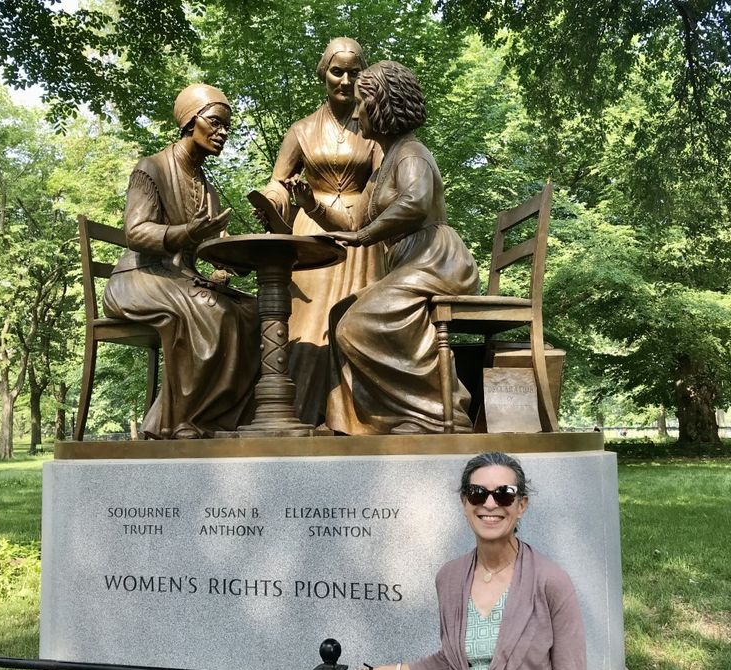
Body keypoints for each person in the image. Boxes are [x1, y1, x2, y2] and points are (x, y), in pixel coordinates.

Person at [342, 452, 589, 670]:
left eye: (504, 495)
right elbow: (454, 664)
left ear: (521, 505)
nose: (489, 503)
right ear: (464, 503)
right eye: (477, 493)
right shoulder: (450, 577)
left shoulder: (551, 581)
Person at [321, 60, 478, 434]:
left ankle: (438, 413)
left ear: (381, 105)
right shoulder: (384, 163)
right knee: (339, 314)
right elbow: (353, 222)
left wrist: (365, 237)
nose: (356, 113)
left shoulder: (411, 152)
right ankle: (357, 422)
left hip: (436, 261)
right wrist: (309, 205)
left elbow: (415, 202)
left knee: (358, 326)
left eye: (362, 103)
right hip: (412, 263)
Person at [103, 83, 259, 439]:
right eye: (215, 123)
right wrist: (187, 233)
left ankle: (220, 417)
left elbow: (215, 245)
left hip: (179, 278)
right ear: (191, 120)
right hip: (137, 277)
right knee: (211, 310)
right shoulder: (151, 168)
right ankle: (179, 421)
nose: (223, 133)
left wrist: (232, 262)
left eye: (227, 127)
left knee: (252, 313)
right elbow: (136, 232)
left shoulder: (207, 187)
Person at [257, 37, 383, 427]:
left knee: (356, 322)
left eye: (354, 72)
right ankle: (300, 414)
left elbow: (382, 179)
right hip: (311, 231)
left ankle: (356, 417)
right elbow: (279, 181)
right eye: (337, 71)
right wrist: (271, 199)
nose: (345, 80)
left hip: (358, 233)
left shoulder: (374, 127)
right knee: (303, 324)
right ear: (323, 74)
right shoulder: (302, 130)